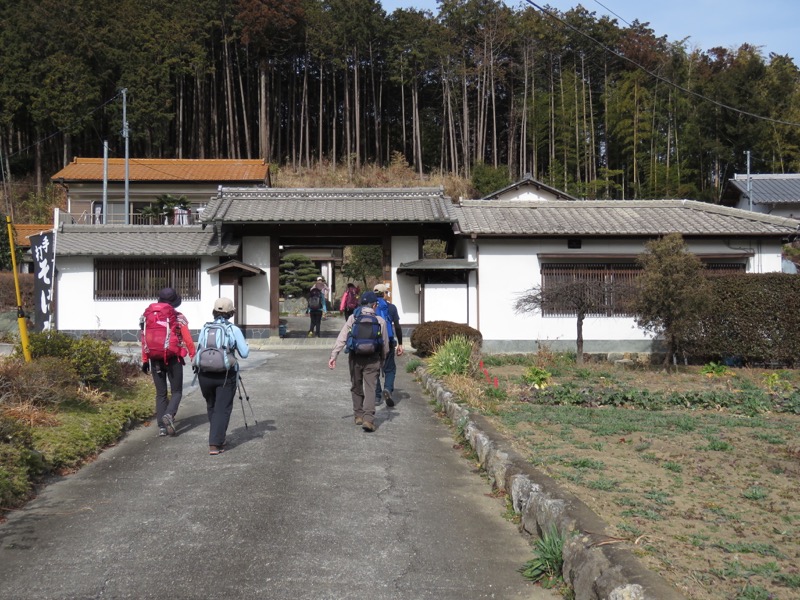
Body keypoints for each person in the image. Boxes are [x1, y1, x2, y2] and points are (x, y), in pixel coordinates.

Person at [194, 297, 249, 455]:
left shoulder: (205, 328)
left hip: (204, 373)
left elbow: (199, 348)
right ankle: (215, 443)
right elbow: (244, 353)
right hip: (225, 374)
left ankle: (217, 436)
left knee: (212, 406)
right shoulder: (233, 329)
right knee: (222, 408)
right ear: (231, 312)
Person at [328, 291, 389, 433]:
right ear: (374, 305)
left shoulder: (353, 318)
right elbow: (385, 345)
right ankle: (368, 419)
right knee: (370, 388)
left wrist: (334, 356)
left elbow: (342, 338)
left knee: (356, 385)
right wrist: (383, 359)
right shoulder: (380, 321)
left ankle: (358, 415)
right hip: (373, 358)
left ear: (361, 304)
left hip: (355, 357)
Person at [141, 287, 195, 437]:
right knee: (177, 391)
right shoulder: (178, 317)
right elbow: (188, 339)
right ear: (174, 302)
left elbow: (144, 338)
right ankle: (169, 415)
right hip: (173, 358)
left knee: (161, 393)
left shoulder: (147, 316)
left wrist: (145, 360)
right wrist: (193, 356)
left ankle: (162, 427)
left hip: (154, 359)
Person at [372, 283, 404, 407]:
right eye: (387, 293)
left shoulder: (370, 306)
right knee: (390, 368)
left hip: (372, 343)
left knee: (374, 368)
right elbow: (397, 327)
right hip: (388, 342)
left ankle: (377, 396)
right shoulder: (391, 308)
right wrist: (400, 343)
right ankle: (388, 389)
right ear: (384, 294)